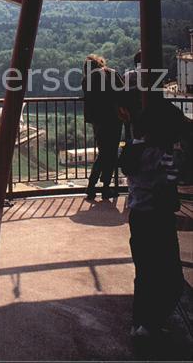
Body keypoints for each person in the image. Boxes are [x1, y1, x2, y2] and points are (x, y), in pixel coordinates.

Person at [127, 95, 190, 340]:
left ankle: (139, 323)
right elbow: (179, 177)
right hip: (158, 220)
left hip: (139, 218)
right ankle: (149, 327)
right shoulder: (162, 157)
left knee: (145, 274)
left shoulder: (135, 150)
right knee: (172, 279)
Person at [81, 54, 126, 200]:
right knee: (111, 152)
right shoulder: (112, 73)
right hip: (114, 118)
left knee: (103, 151)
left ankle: (92, 186)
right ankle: (105, 187)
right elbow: (123, 92)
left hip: (99, 120)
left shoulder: (87, 79)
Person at [122, 51, 143, 142]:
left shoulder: (127, 76)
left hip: (128, 115)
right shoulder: (150, 76)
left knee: (130, 140)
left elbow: (121, 93)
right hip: (142, 115)